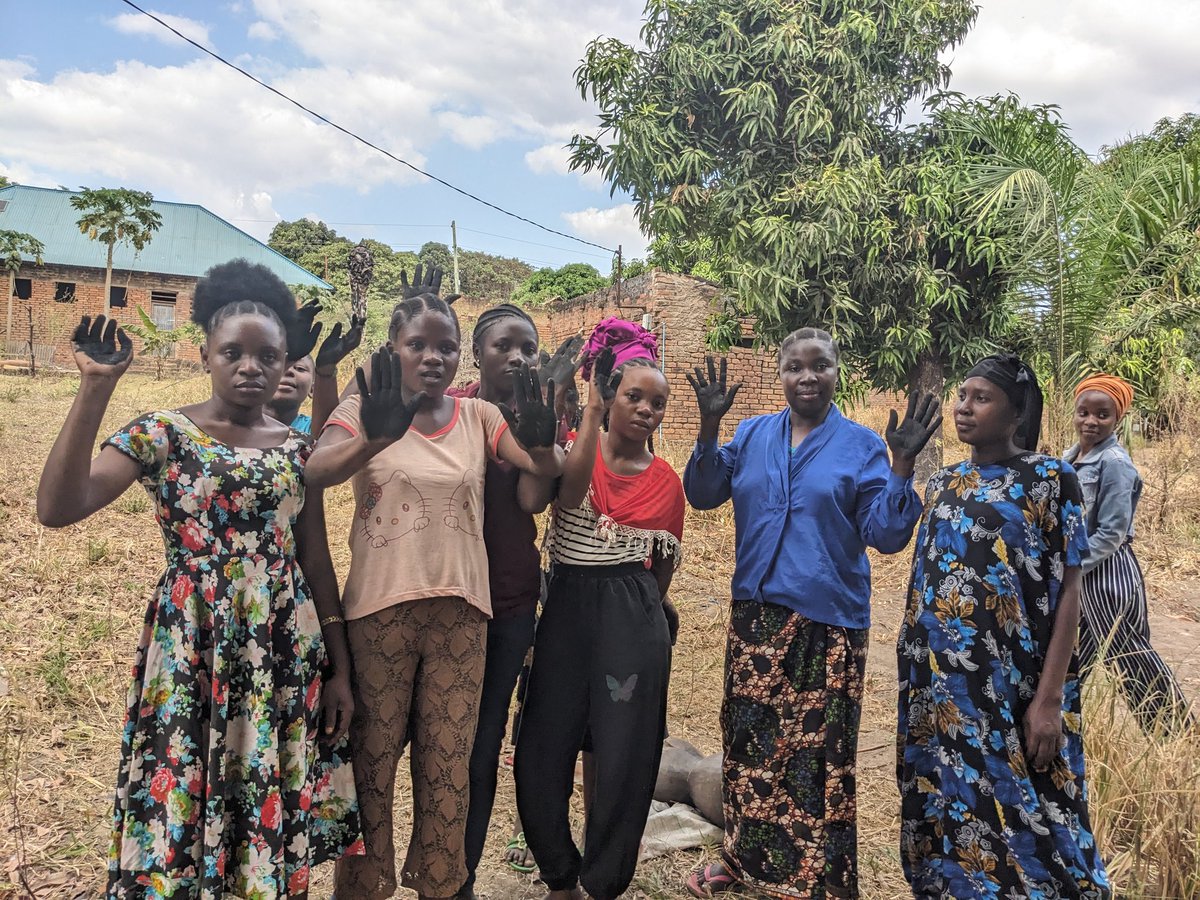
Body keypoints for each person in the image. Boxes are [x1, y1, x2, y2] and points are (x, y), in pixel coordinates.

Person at [36, 260, 362, 898]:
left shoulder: (299, 451)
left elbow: (315, 557)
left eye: (268, 355)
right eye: (233, 352)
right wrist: (96, 389)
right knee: (185, 786)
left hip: (281, 649)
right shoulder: (162, 434)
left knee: (262, 788)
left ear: (284, 359)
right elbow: (57, 508)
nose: (251, 367)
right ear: (205, 354)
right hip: (192, 645)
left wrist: (339, 666)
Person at [305, 293, 564, 900]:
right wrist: (373, 434)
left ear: (459, 355)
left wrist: (547, 441)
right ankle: (363, 889)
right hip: (378, 613)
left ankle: (442, 889)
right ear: (394, 350)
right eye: (417, 344)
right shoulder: (365, 407)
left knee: (448, 773)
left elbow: (539, 465)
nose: (432, 357)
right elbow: (315, 470)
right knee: (371, 769)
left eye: (444, 346)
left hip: (463, 618)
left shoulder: (478, 419)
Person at [683, 329, 939, 899]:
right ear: (780, 374)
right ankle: (747, 861)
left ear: (836, 371)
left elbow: (887, 533)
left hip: (827, 623)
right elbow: (703, 493)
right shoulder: (751, 434)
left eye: (819, 366)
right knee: (749, 744)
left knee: (817, 756)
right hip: (755, 618)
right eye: (795, 367)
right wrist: (707, 427)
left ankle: (819, 878)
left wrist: (901, 465)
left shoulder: (861, 446)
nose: (807, 377)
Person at [897, 354, 1111, 899]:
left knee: (1030, 800)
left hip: (1010, 683)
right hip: (939, 682)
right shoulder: (945, 480)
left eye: (980, 398)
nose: (963, 407)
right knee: (946, 796)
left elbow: (1069, 590)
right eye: (962, 395)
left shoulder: (1049, 479)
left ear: (1017, 414)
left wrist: (1049, 700)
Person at [515, 318, 684, 900]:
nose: (645, 409)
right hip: (565, 610)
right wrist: (587, 409)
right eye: (633, 395)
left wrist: (639, 618)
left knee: (624, 756)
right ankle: (558, 872)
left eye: (657, 402)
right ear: (610, 395)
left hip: (632, 619)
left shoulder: (666, 482)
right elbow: (564, 497)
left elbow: (661, 570)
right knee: (542, 746)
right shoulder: (574, 455)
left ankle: (603, 881)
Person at [447, 305, 582, 899]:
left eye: (528, 347)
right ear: (477, 353)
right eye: (504, 345)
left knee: (480, 747)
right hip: (444, 597)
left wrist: (541, 434)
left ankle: (462, 879)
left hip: (507, 603)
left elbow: (532, 501)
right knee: (436, 744)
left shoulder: (543, 418)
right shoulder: (448, 408)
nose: (518, 356)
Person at [1065, 373, 1191, 734]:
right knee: (1071, 659)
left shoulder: (1115, 463)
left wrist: (1072, 568)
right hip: (1080, 575)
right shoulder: (1069, 458)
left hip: (1107, 576)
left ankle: (1178, 739)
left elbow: (1111, 534)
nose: (1091, 421)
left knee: (1132, 658)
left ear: (1117, 418)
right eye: (1083, 412)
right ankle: (1057, 732)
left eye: (1102, 415)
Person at [268, 313, 364, 436]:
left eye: (300, 368)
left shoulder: (315, 430)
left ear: (313, 389)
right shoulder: (238, 423)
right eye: (282, 365)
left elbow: (323, 439)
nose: (289, 371)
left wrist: (326, 367)